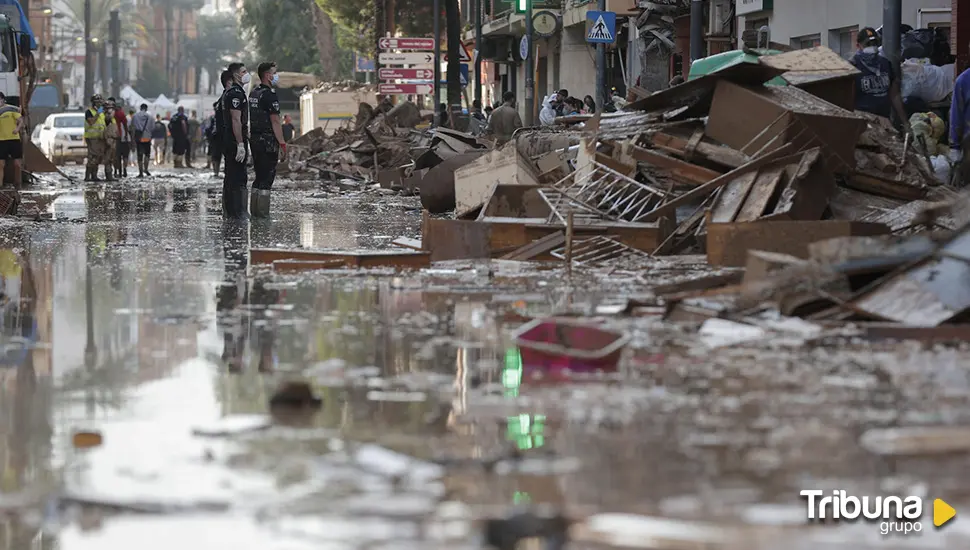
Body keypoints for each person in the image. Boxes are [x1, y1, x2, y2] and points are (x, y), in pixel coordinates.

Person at [248, 61, 286, 218]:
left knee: (258, 176)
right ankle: (263, 214)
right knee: (267, 177)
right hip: (268, 140)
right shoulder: (269, 95)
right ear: (268, 75)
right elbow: (275, 121)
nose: (276, 76)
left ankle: (254, 212)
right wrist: (283, 143)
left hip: (255, 139)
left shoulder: (254, 93)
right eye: (275, 73)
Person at [849, 27, 907, 128]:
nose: (873, 47)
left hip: (884, 121)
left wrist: (905, 123)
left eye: (875, 43)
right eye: (868, 44)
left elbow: (895, 95)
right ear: (858, 46)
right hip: (863, 122)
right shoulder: (853, 66)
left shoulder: (885, 64)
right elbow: (849, 99)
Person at [221, 62, 251, 218]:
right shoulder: (235, 94)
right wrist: (240, 144)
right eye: (244, 71)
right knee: (237, 176)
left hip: (231, 138)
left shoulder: (234, 92)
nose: (247, 74)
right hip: (234, 140)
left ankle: (232, 212)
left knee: (232, 174)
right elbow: (235, 120)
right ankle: (237, 212)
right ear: (236, 74)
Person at [0, 93, 25, 208]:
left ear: (3, 100)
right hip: (1, 141)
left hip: (14, 139)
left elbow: (21, 121)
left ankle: (18, 185)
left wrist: (17, 129)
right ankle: (0, 186)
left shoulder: (10, 109)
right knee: (1, 164)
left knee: (17, 164)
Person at [211, 69, 232, 177]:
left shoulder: (222, 97)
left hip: (218, 131)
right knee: (223, 154)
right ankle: (218, 172)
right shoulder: (228, 96)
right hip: (223, 131)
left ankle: (216, 172)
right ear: (229, 82)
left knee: (217, 153)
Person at [83, 94, 107, 181]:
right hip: (92, 138)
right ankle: (87, 176)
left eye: (100, 102)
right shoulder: (89, 112)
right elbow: (91, 122)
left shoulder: (102, 113)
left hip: (100, 138)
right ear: (93, 103)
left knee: (98, 157)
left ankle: (94, 175)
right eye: (97, 103)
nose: (99, 104)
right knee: (92, 157)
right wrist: (98, 113)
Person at [130, 103, 153, 177]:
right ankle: (146, 169)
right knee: (147, 154)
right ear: (146, 109)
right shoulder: (150, 117)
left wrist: (132, 138)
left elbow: (132, 127)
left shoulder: (135, 116)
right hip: (147, 137)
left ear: (140, 108)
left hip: (138, 137)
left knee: (139, 155)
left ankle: (140, 172)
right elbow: (152, 128)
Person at [103, 102, 119, 181]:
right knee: (108, 159)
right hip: (109, 139)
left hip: (113, 139)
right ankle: (108, 176)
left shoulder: (112, 118)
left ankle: (110, 175)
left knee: (111, 159)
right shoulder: (106, 117)